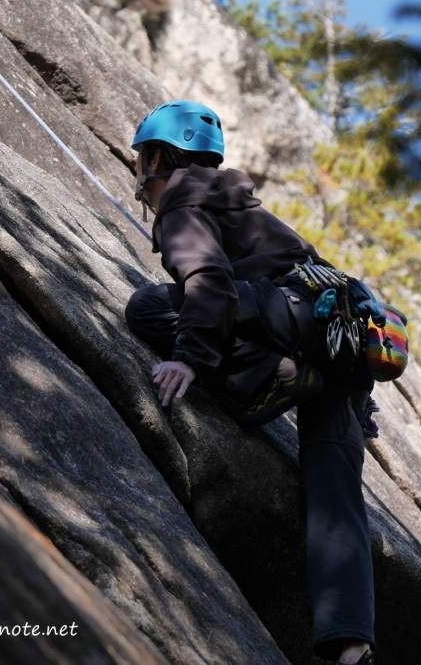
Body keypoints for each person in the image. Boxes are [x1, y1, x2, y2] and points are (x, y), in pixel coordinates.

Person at [123, 100, 377, 665]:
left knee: (147, 308)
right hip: (343, 348)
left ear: (162, 157)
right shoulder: (257, 216)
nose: (139, 172)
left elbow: (207, 277)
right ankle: (350, 640)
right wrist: (362, 410)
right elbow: (332, 300)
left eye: (143, 158)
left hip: (287, 330)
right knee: (335, 492)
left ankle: (277, 377)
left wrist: (190, 358)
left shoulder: (183, 197)